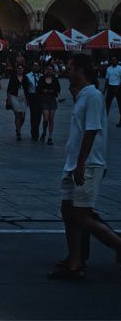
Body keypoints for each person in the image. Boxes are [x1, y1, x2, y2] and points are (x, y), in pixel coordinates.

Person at [48, 54, 121, 280]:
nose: (66, 72)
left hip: (87, 164)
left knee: (81, 216)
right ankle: (75, 261)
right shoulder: (82, 96)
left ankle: (118, 245)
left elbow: (91, 131)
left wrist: (81, 163)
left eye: (70, 68)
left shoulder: (94, 96)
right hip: (75, 164)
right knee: (68, 212)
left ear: (81, 71)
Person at [37, 64, 61, 145]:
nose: (49, 71)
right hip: (44, 100)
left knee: (51, 119)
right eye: (48, 69)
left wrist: (53, 92)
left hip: (52, 100)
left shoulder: (55, 79)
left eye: (51, 69)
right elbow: (39, 88)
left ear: (53, 71)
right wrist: (45, 91)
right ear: (46, 70)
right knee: (46, 119)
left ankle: (50, 136)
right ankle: (44, 131)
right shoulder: (42, 78)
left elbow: (58, 89)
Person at [6, 65, 29, 141]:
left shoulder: (25, 78)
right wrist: (9, 99)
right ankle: (18, 132)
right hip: (14, 97)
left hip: (23, 98)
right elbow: (9, 89)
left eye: (21, 68)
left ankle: (18, 128)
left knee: (22, 116)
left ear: (23, 69)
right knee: (17, 114)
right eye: (18, 68)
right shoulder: (13, 77)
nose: (20, 70)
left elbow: (27, 88)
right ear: (16, 69)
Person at [25, 61, 43, 141]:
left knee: (39, 114)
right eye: (34, 66)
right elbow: (26, 88)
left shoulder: (41, 76)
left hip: (40, 96)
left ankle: (37, 129)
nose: (36, 67)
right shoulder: (28, 76)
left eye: (37, 66)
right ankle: (34, 131)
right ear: (32, 67)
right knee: (33, 114)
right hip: (32, 96)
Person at [103, 56, 121, 126]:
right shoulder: (108, 69)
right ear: (111, 61)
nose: (114, 61)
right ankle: (104, 120)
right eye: (112, 60)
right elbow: (107, 80)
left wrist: (117, 88)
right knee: (107, 105)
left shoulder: (120, 68)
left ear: (117, 61)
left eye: (115, 60)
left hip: (118, 87)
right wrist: (104, 90)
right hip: (110, 87)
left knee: (120, 105)